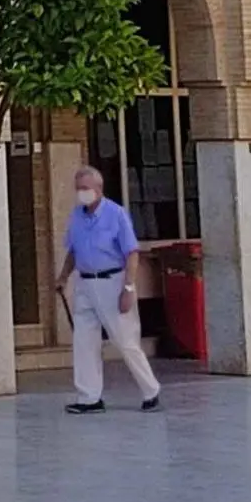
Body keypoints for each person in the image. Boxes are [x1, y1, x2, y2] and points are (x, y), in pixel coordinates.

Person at [55, 165, 162, 412]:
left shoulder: (116, 214)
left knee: (125, 339)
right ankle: (89, 397)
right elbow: (73, 250)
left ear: (98, 189)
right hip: (85, 282)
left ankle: (150, 390)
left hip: (112, 282)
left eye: (85, 188)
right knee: (84, 340)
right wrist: (63, 277)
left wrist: (129, 287)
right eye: (78, 188)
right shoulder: (76, 216)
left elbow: (132, 253)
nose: (81, 193)